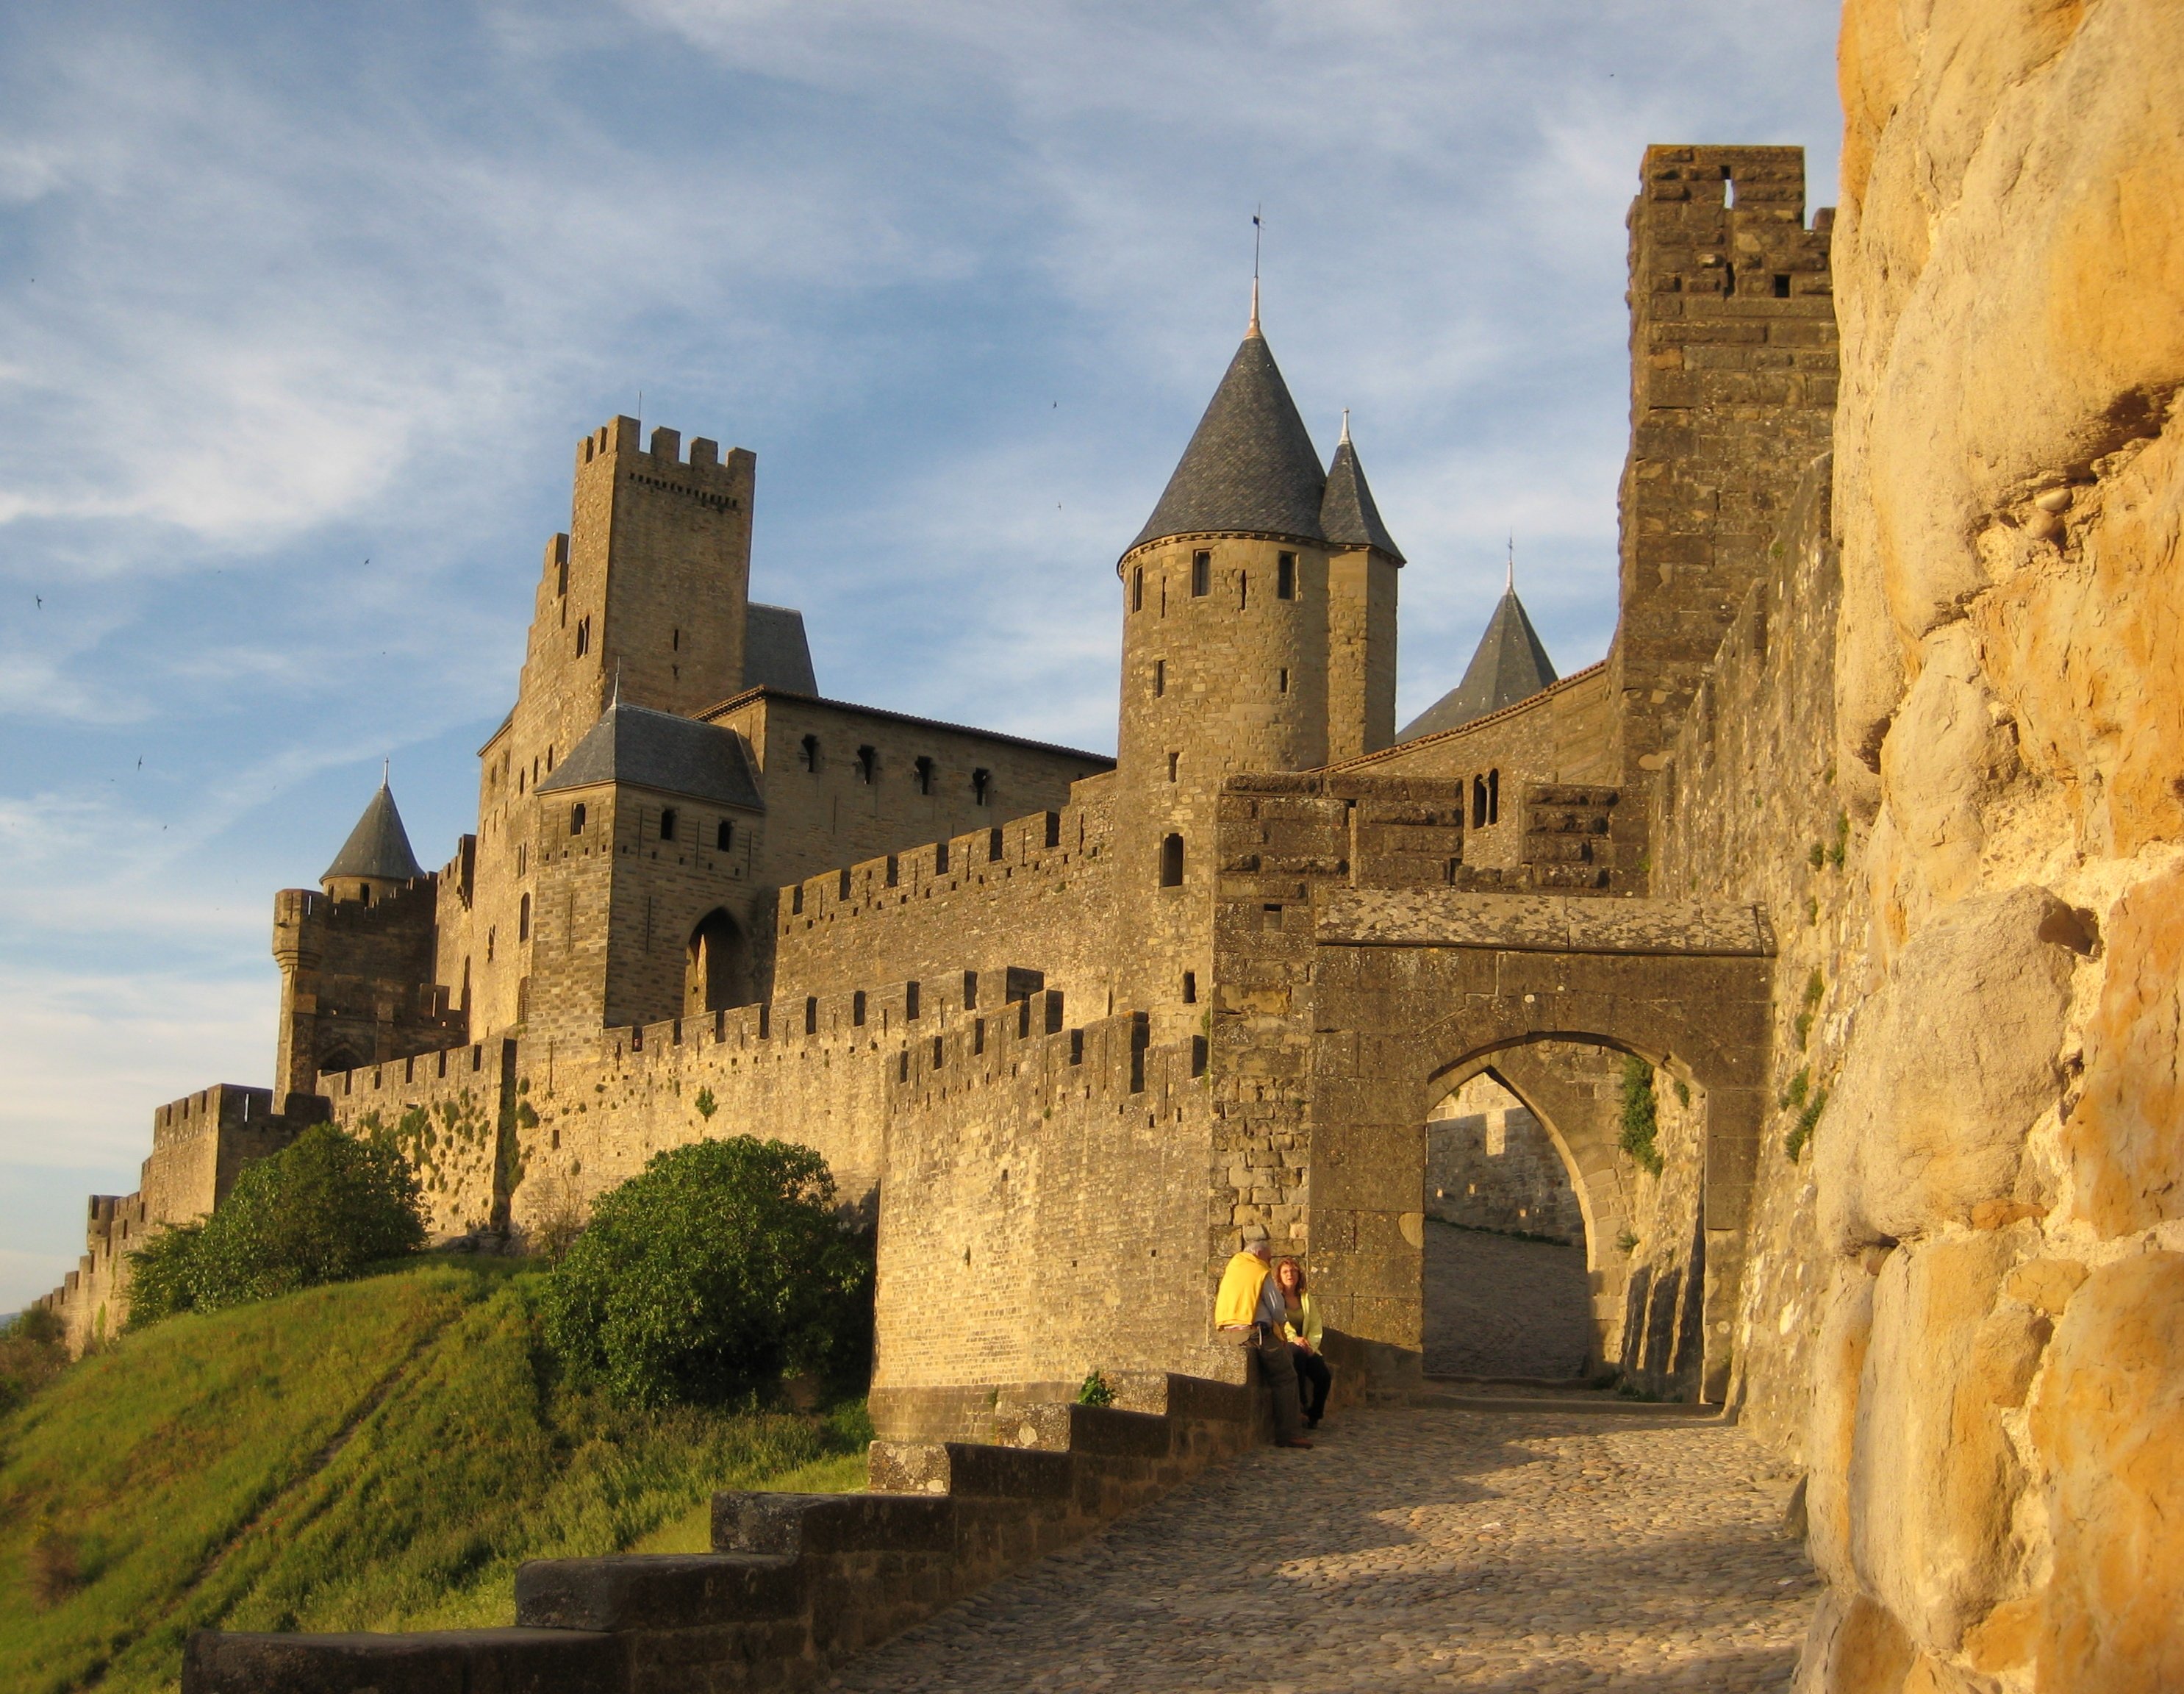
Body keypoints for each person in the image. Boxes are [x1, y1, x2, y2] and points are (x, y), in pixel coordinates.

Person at [1214, 1223, 1311, 1448]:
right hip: (1256, 1334)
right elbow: (1277, 1308)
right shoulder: (1258, 1271)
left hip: (1231, 1333)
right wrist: (1283, 1326)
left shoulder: (1233, 1269)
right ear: (1258, 1254)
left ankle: (1294, 1414)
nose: (1269, 1262)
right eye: (1269, 1258)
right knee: (1286, 1377)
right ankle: (1289, 1432)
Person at [1275, 1257, 1331, 1429]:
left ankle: (1314, 1414)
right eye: (1285, 1272)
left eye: (1293, 1271)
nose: (1290, 1275)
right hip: (1286, 1343)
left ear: (1299, 1274)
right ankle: (1301, 1403)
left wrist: (1312, 1346)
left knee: (1324, 1376)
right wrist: (1294, 1339)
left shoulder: (1306, 1298)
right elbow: (1280, 1322)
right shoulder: (1277, 1298)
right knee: (1297, 1355)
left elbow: (1315, 1323)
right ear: (1280, 1276)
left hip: (1307, 1344)